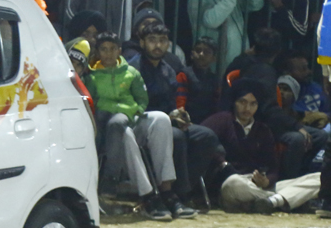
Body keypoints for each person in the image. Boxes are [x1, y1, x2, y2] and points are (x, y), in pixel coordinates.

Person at [87, 32, 178, 221]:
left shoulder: (130, 72)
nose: (109, 53)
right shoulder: (92, 76)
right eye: (104, 49)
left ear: (119, 51)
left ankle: (167, 190)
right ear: (97, 52)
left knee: (161, 119)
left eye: (113, 49)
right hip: (110, 124)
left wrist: (135, 111)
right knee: (124, 132)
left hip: (132, 116)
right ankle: (148, 196)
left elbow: (142, 99)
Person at [128, 23, 213, 215]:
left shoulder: (168, 70)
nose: (157, 45)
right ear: (142, 43)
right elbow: (134, 107)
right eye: (152, 40)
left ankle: (186, 190)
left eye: (162, 41)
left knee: (206, 136)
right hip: (141, 124)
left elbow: (170, 105)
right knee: (177, 137)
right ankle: (172, 195)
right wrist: (168, 117)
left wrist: (178, 115)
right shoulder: (132, 69)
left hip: (166, 121)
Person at [202, 78, 322, 213]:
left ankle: (269, 202)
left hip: (258, 185)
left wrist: (266, 181)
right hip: (234, 185)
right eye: (242, 102)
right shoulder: (221, 120)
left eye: (253, 104)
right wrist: (222, 163)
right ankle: (280, 200)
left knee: (318, 178)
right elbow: (201, 140)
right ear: (234, 102)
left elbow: (273, 167)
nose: (247, 108)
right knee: (233, 183)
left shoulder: (263, 130)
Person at [176, 36, 221, 125]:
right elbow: (179, 103)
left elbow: (218, 105)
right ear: (192, 54)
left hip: (209, 122)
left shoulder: (215, 79)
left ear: (214, 58)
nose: (201, 54)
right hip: (187, 122)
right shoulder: (184, 75)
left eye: (207, 52)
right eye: (198, 50)